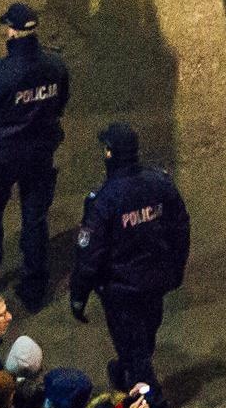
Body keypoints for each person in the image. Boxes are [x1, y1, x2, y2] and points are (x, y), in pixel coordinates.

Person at [0, 2, 71, 309]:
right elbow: (60, 103)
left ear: (11, 31)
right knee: (35, 219)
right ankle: (34, 285)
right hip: (40, 153)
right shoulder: (55, 65)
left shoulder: (1, 73)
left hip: (1, 157)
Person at [69, 121, 190, 390]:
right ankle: (126, 369)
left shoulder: (103, 200)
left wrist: (78, 296)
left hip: (121, 291)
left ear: (110, 154)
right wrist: (176, 270)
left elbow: (89, 255)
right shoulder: (160, 184)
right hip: (155, 282)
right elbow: (180, 229)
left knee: (136, 354)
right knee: (144, 338)